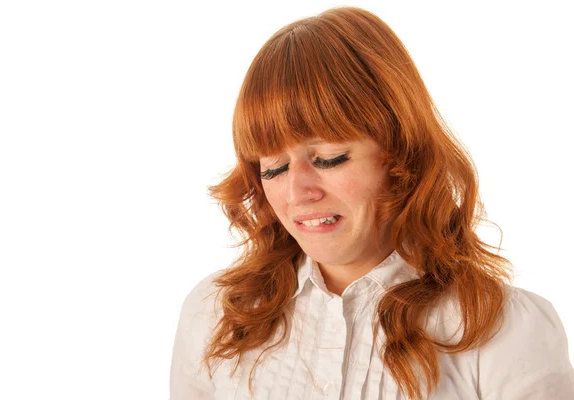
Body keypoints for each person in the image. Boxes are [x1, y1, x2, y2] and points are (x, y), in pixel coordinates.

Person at [170, 6, 574, 399]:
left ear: (400, 152)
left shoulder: (503, 331)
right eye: (273, 168)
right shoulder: (215, 315)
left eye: (329, 158)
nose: (296, 193)